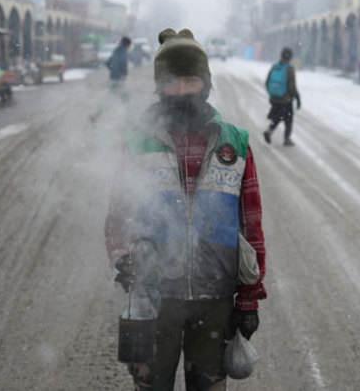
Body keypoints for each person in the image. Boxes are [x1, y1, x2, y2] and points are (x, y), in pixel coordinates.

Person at [105, 28, 267, 390]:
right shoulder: (136, 142)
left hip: (216, 303)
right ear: (158, 87)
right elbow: (118, 215)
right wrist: (122, 258)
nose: (181, 90)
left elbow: (251, 225)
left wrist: (249, 298)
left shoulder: (234, 144)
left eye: (191, 80)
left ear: (206, 84)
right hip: (153, 300)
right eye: (172, 82)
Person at [263, 47, 301, 146]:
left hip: (275, 98)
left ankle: (269, 131)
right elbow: (292, 86)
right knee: (288, 119)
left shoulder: (274, 66)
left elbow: (267, 82)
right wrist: (297, 97)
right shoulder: (289, 69)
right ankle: (286, 139)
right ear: (290, 57)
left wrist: (273, 93)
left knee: (277, 117)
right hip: (286, 99)